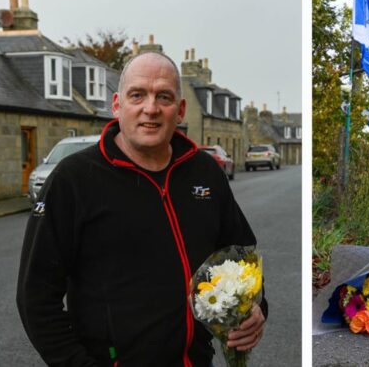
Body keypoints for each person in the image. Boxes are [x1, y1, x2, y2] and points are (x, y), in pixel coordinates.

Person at [17, 52, 266, 367]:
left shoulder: (204, 172)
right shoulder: (74, 180)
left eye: (164, 96)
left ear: (180, 110)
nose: (151, 108)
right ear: (117, 105)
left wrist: (256, 309)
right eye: (138, 95)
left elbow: (238, 254)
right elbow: (35, 297)